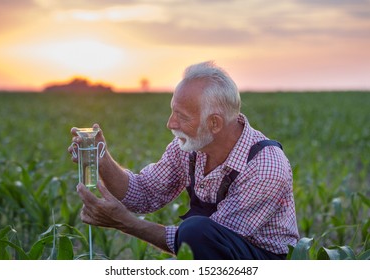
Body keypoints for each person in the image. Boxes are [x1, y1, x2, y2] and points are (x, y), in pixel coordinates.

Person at [68, 61, 299, 260]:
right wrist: (101, 158)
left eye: (182, 116)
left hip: (265, 260)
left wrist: (126, 222)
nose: (171, 123)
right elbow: (143, 193)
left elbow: (207, 241)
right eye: (172, 112)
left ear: (214, 123)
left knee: (195, 230)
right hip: (216, 254)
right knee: (195, 231)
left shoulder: (265, 166)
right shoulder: (190, 147)